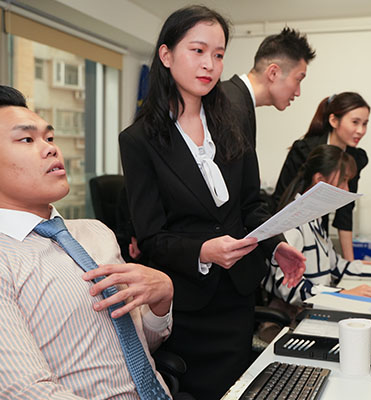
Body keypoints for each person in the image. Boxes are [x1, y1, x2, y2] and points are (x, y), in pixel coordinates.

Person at [119, 6, 306, 400]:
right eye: (198, 51)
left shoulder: (232, 122)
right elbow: (151, 237)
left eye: (218, 55)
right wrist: (203, 251)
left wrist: (276, 245)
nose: (209, 64)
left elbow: (251, 205)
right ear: (166, 55)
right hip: (188, 305)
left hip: (237, 297)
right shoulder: (139, 140)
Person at [0, 85, 175, 399]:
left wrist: (161, 300)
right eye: (27, 139)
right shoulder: (5, 259)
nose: (51, 149)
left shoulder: (96, 233)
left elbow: (138, 347)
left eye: (49, 138)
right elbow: (27, 392)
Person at [264, 144, 371, 307]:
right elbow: (288, 287)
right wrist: (340, 294)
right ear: (320, 181)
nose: (346, 189)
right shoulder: (293, 223)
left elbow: (337, 266)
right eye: (343, 180)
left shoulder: (314, 219)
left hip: (316, 305)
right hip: (295, 314)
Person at [272, 92, 371, 260]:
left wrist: (350, 262)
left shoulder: (355, 158)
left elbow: (345, 210)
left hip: (320, 229)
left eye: (365, 124)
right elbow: (281, 199)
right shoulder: (304, 150)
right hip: (290, 230)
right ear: (334, 121)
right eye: (355, 122)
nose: (361, 131)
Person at [222, 27, 316, 148]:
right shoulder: (229, 105)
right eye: (298, 80)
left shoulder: (239, 101)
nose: (298, 92)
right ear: (273, 73)